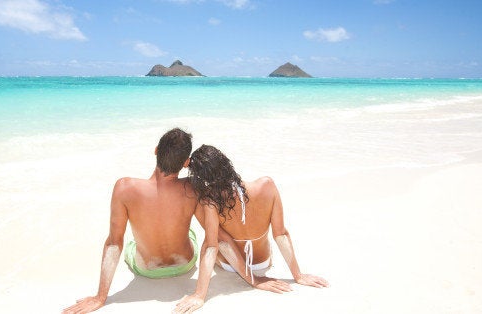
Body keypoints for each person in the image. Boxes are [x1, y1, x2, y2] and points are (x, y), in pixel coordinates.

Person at [62, 128, 221, 314]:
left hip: (147, 269)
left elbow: (114, 243)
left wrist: (100, 297)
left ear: (155, 151)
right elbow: (211, 242)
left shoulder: (125, 188)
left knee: (131, 241)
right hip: (185, 263)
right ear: (186, 163)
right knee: (189, 232)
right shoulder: (194, 188)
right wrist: (200, 295)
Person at [187, 144, 329, 291]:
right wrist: (298, 275)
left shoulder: (210, 201)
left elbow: (214, 246)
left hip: (229, 266)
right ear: (226, 163)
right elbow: (281, 235)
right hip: (263, 262)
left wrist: (199, 295)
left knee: (215, 237)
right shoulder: (267, 185)